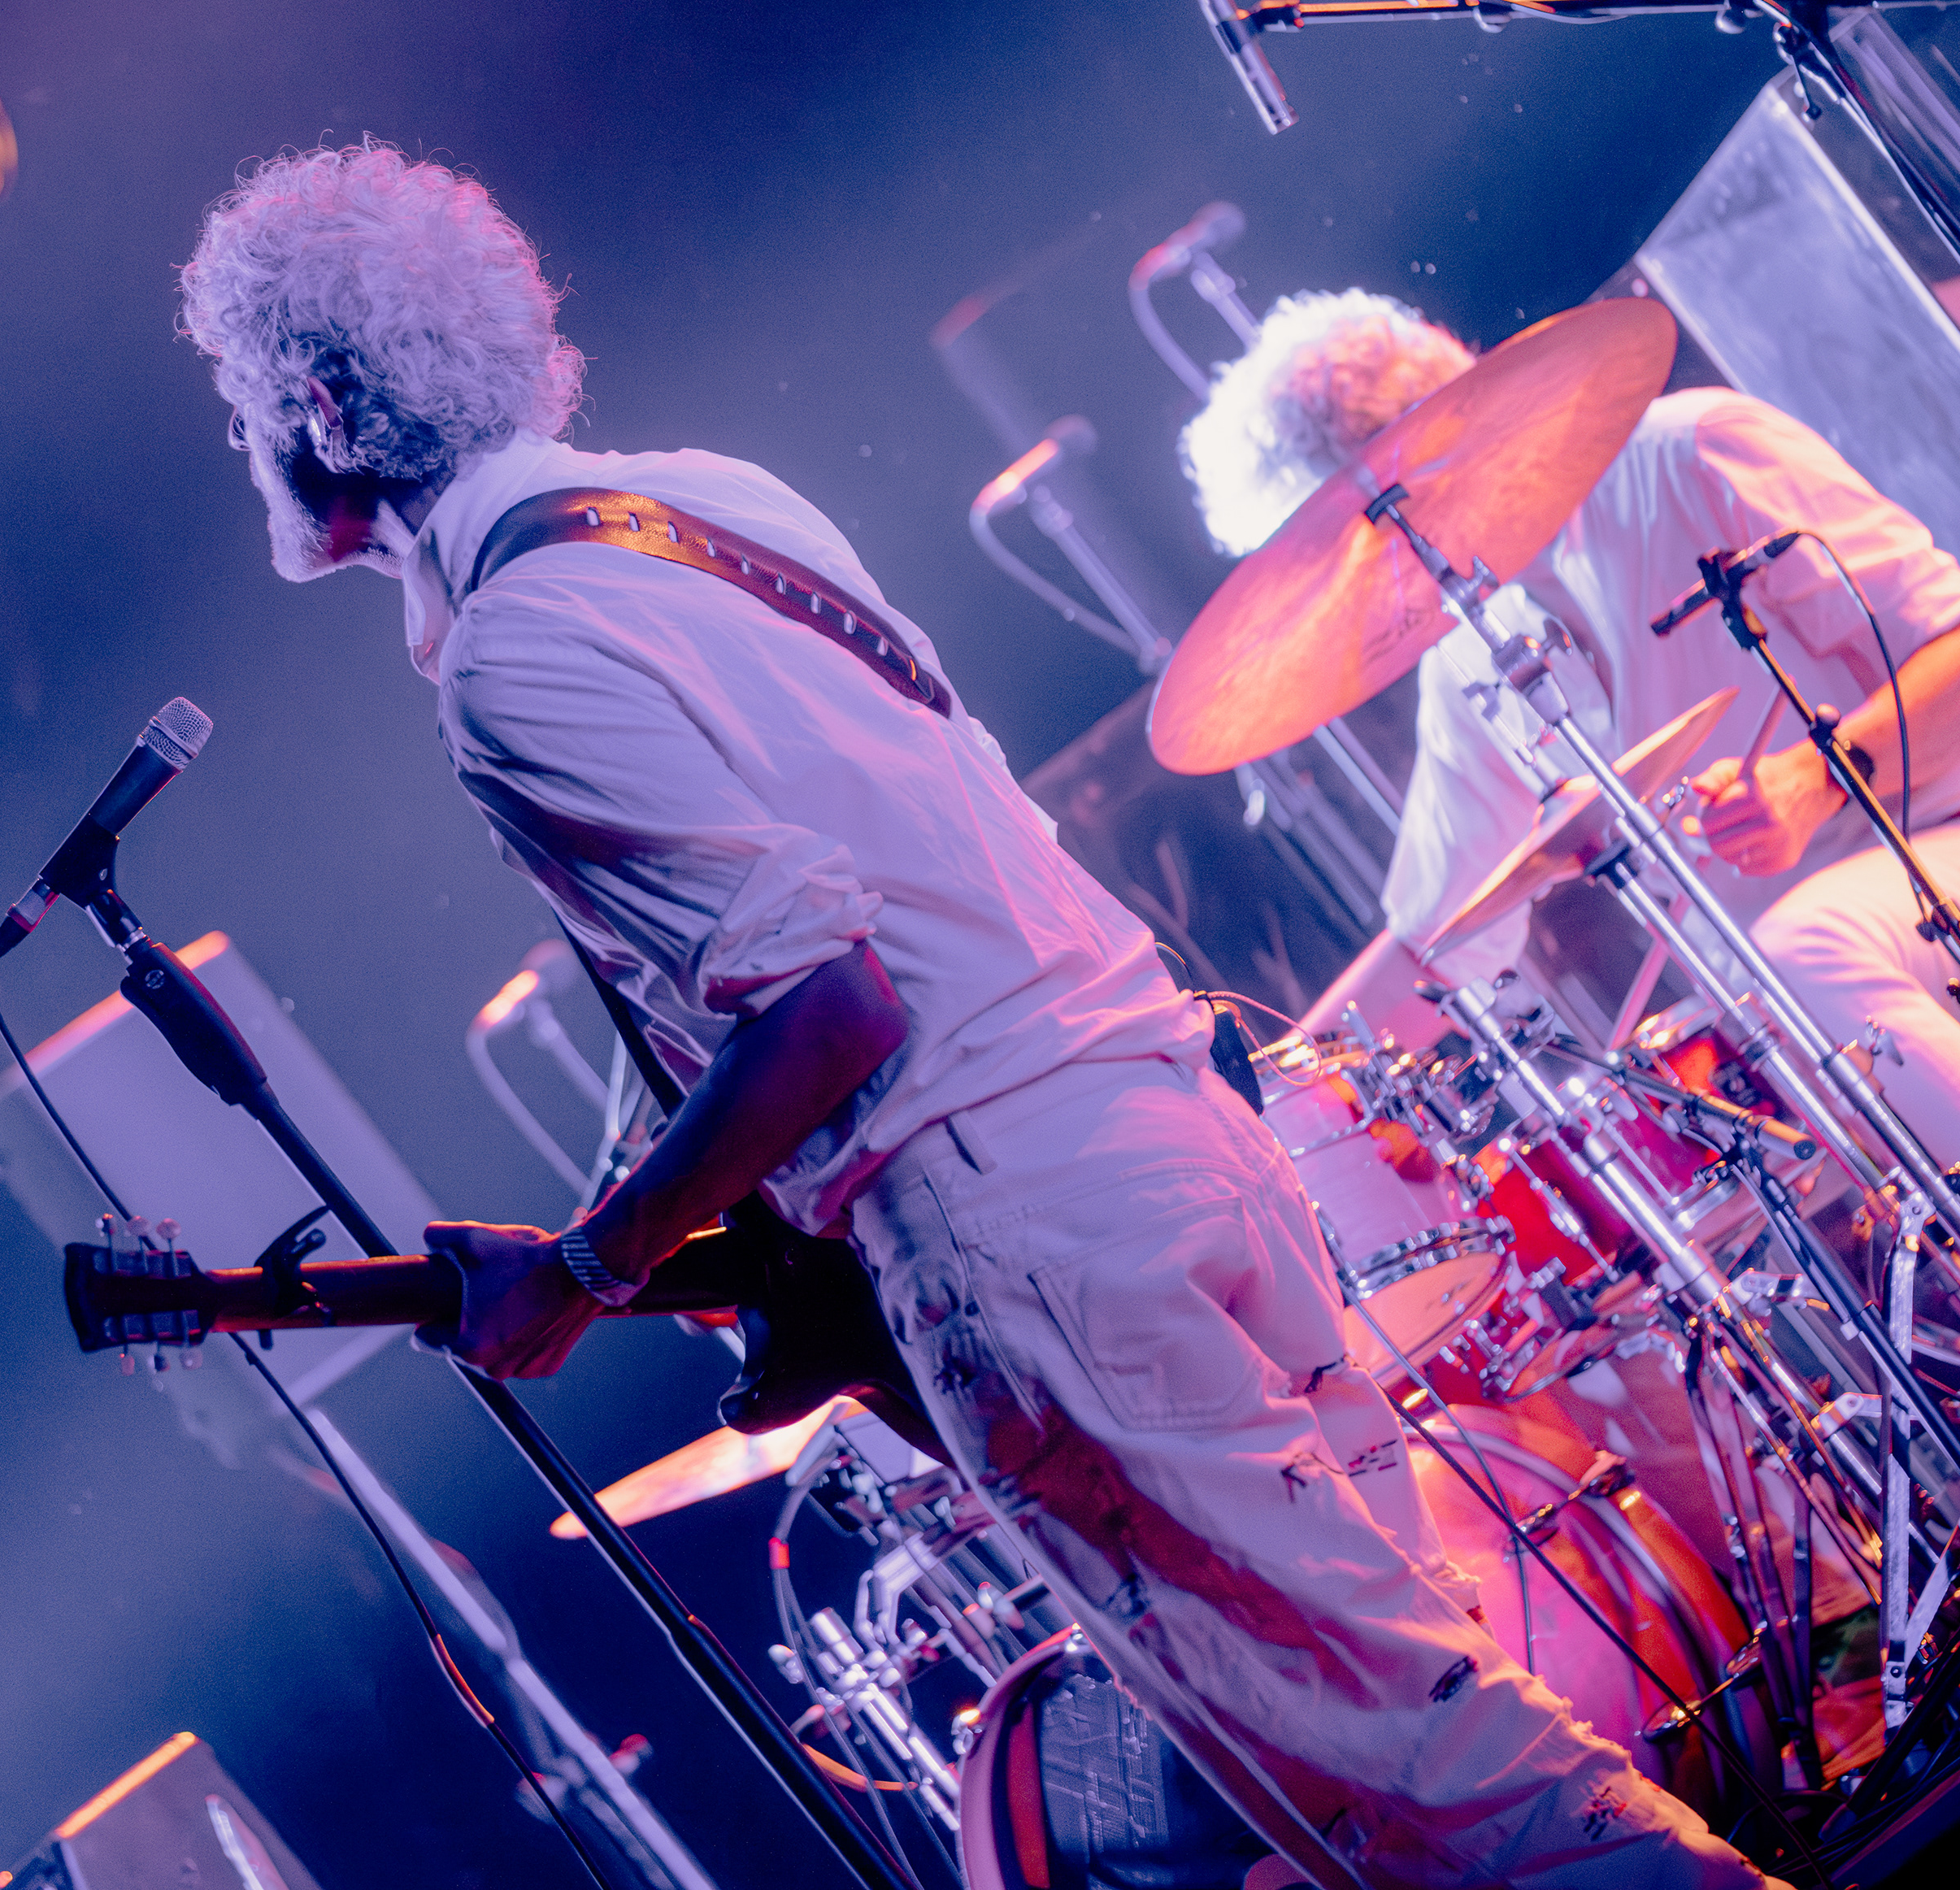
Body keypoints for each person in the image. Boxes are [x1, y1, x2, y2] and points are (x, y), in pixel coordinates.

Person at [176, 142, 1778, 1889]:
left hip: (1028, 1225)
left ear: (321, 405)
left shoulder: (513, 653)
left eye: (244, 405)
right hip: (1172, 1121)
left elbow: (831, 1011)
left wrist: (588, 1267)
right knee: (1416, 1746)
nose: (244, 448)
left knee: (1456, 1801)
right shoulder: (712, 502)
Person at [1181, 290, 1960, 1187]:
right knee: (1633, 1163)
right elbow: (1438, 938)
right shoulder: (1463, 661)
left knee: (1805, 953)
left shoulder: (1691, 447)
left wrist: (1816, 777)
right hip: (1790, 1009)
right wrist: (1274, 1110)